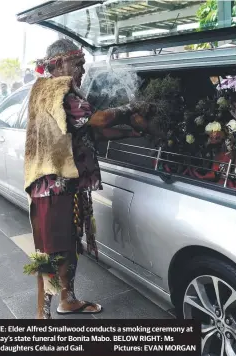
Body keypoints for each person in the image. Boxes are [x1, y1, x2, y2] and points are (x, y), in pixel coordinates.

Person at [24, 39, 153, 319]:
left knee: (69, 245)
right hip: (53, 186)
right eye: (77, 64)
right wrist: (132, 108)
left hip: (67, 186)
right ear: (58, 64)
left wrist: (135, 133)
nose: (82, 71)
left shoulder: (65, 92)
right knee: (50, 251)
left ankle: (67, 299)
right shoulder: (55, 90)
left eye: (83, 64)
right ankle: (41, 313)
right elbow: (99, 121)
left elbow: (96, 132)